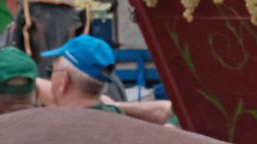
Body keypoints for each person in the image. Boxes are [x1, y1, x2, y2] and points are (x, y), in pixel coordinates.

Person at [41, 35, 175, 125]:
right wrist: (115, 106)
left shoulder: (56, 128)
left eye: (52, 71)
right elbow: (169, 111)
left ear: (63, 81)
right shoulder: (120, 119)